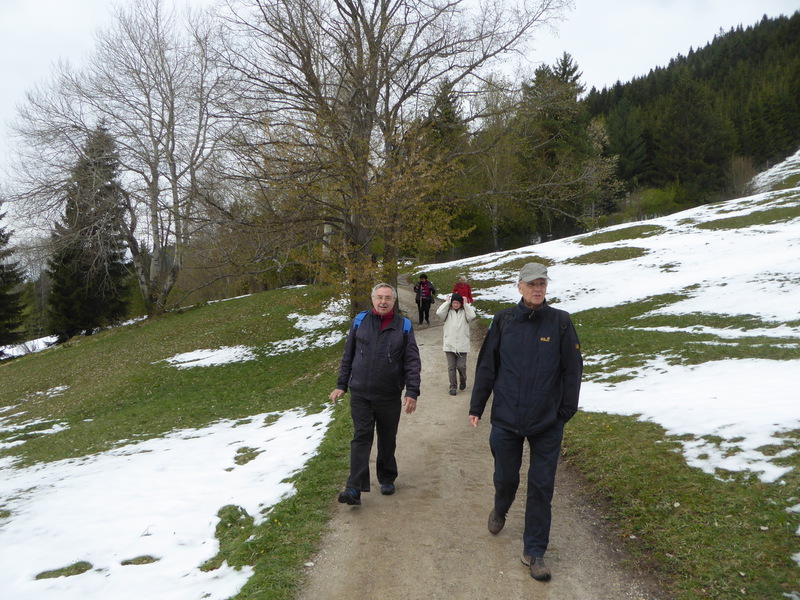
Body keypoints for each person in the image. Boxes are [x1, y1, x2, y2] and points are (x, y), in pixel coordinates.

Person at [468, 263, 582, 582]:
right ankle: (500, 507)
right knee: (506, 478)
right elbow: (487, 366)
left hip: (547, 422)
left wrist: (564, 413)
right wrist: (477, 406)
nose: (537, 289)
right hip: (507, 418)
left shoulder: (560, 322)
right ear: (519, 287)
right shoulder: (504, 320)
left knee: (541, 486)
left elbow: (573, 370)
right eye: (532, 284)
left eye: (542, 283)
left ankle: (534, 551)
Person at [329, 283, 421, 506]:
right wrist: (342, 384)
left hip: (389, 394)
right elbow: (348, 354)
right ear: (372, 299)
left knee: (387, 438)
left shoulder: (404, 325)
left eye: (388, 298)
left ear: (394, 301)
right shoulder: (360, 321)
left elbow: (412, 361)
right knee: (361, 437)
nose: (383, 301)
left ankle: (387, 477)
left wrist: (412, 391)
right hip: (361, 393)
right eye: (379, 297)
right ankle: (353, 488)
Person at [435, 292, 476, 395]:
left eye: (457, 303)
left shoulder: (465, 313)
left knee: (461, 366)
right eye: (454, 303)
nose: (455, 305)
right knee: (451, 367)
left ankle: (463, 379)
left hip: (462, 345)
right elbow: (439, 313)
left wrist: (466, 304)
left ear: (461, 303)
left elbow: (472, 315)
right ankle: (453, 386)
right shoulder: (447, 313)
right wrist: (446, 302)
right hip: (449, 344)